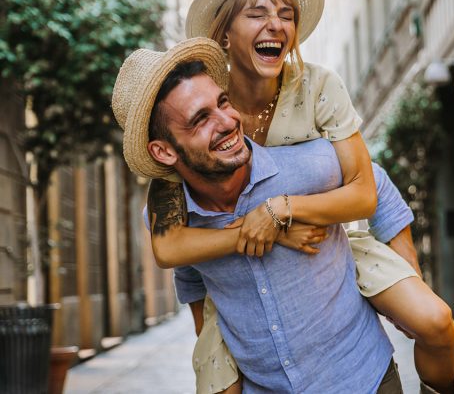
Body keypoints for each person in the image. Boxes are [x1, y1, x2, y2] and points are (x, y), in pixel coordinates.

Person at [146, 0, 454, 394]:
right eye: (257, 13)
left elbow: (372, 184)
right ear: (224, 34)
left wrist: (284, 210)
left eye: (285, 15)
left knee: (434, 320)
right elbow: (178, 251)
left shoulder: (317, 88)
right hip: (240, 289)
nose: (275, 24)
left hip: (332, 243)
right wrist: (269, 230)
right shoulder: (203, 114)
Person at [111, 38, 403, 392]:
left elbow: (375, 184)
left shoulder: (304, 164)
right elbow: (191, 279)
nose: (228, 122)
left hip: (362, 378)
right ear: (163, 151)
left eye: (222, 102)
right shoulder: (173, 221)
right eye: (200, 119)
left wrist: (408, 282)